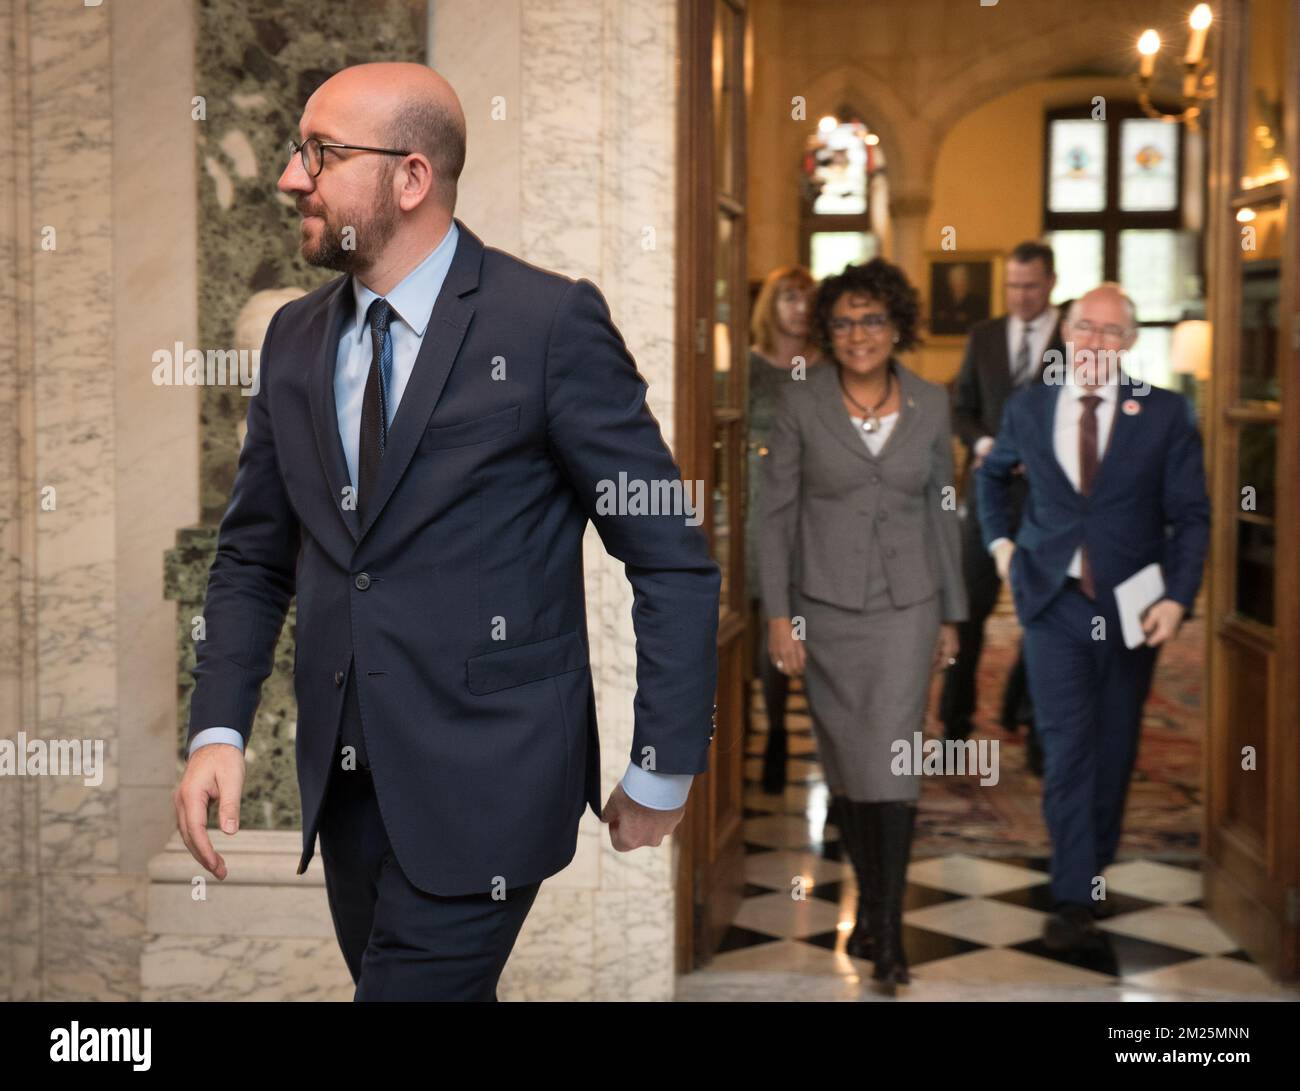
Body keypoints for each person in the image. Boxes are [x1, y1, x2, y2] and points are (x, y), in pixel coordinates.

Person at [171, 63, 720, 1001]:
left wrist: (663, 765)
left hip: (493, 779)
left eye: (322, 153)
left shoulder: (548, 324)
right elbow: (255, 555)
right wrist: (218, 725)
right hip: (347, 786)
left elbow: (668, 553)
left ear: (412, 177)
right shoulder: (295, 341)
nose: (289, 178)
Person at [977, 283, 1209, 954]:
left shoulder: (1162, 414)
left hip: (1134, 606)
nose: (1095, 343)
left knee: (1114, 744)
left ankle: (1093, 862)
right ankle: (1074, 889)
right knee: (1067, 741)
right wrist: (1001, 546)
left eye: (1111, 332)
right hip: (1053, 601)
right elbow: (990, 478)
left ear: (1129, 342)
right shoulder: (1029, 406)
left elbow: (1191, 516)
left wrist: (1176, 597)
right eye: (1085, 328)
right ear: (1066, 333)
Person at [759, 259, 967, 991]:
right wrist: (780, 615)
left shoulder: (932, 403)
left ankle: (888, 927)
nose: (858, 334)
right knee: (851, 763)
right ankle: (876, 915)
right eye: (844, 321)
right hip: (826, 611)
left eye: (872, 319)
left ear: (897, 325)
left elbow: (944, 506)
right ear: (828, 330)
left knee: (897, 763)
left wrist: (952, 612)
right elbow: (774, 513)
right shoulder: (799, 401)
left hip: (909, 606)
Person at [942, 241, 1065, 775]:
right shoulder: (985, 336)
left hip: (1051, 503)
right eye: (1013, 286)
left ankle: (1039, 731)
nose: (1020, 296)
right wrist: (985, 444)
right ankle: (953, 727)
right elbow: (960, 406)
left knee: (1048, 618)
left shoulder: (1074, 336)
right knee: (966, 613)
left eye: (1031, 286)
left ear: (1051, 283)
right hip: (988, 496)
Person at [744, 265, 821, 796]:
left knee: (812, 618)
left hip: (818, 508)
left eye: (806, 297)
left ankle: (828, 740)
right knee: (765, 618)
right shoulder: (748, 365)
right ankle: (770, 733)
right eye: (788, 297)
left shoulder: (831, 365)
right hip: (759, 504)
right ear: (772, 304)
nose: (797, 307)